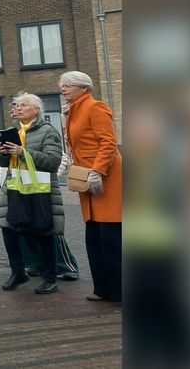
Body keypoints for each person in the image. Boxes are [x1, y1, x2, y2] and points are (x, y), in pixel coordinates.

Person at [60, 71, 122, 304]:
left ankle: (120, 289)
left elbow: (108, 142)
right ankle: (103, 288)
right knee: (95, 236)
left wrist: (98, 171)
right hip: (88, 179)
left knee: (111, 236)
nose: (63, 89)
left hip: (106, 177)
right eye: (62, 86)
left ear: (83, 88)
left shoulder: (95, 107)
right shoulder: (72, 112)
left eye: (68, 85)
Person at [0, 93, 65, 295]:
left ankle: (50, 278)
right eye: (16, 105)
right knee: (8, 227)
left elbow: (52, 161)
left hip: (39, 188)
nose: (17, 108)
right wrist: (3, 151)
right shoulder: (13, 131)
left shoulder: (47, 132)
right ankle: (17, 272)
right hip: (15, 185)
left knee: (43, 231)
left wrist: (22, 152)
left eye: (23, 105)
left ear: (36, 109)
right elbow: (1, 162)